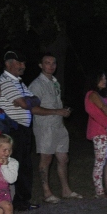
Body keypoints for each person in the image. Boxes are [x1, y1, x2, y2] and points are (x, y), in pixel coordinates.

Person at [28, 54, 77, 203]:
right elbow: (33, 108)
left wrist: (63, 111)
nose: (51, 66)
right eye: (47, 63)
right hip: (45, 127)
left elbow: (56, 104)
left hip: (58, 125)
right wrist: (56, 111)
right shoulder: (36, 85)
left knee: (63, 158)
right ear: (41, 65)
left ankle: (66, 190)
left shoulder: (55, 82)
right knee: (46, 159)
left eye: (53, 63)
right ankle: (47, 193)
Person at [0, 51, 39, 211]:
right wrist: (27, 101)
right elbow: (25, 103)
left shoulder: (18, 82)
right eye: (19, 63)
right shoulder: (5, 82)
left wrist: (27, 100)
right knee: (15, 165)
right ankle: (14, 202)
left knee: (24, 165)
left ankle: (22, 201)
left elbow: (36, 99)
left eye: (24, 63)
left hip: (23, 129)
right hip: (13, 129)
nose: (23, 66)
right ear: (8, 64)